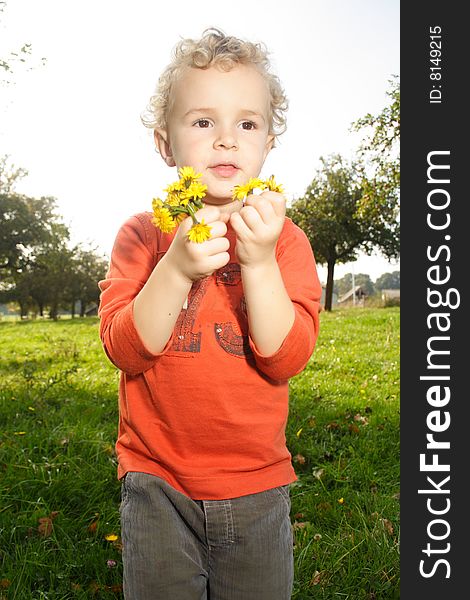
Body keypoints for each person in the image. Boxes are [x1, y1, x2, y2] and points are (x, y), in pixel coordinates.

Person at [98, 27, 322, 600]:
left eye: (246, 123)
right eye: (203, 122)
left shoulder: (286, 242)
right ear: (165, 144)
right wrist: (173, 268)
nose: (226, 140)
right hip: (157, 480)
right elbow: (124, 349)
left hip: (255, 484)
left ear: (268, 142)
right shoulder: (143, 237)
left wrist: (261, 262)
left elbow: (285, 358)